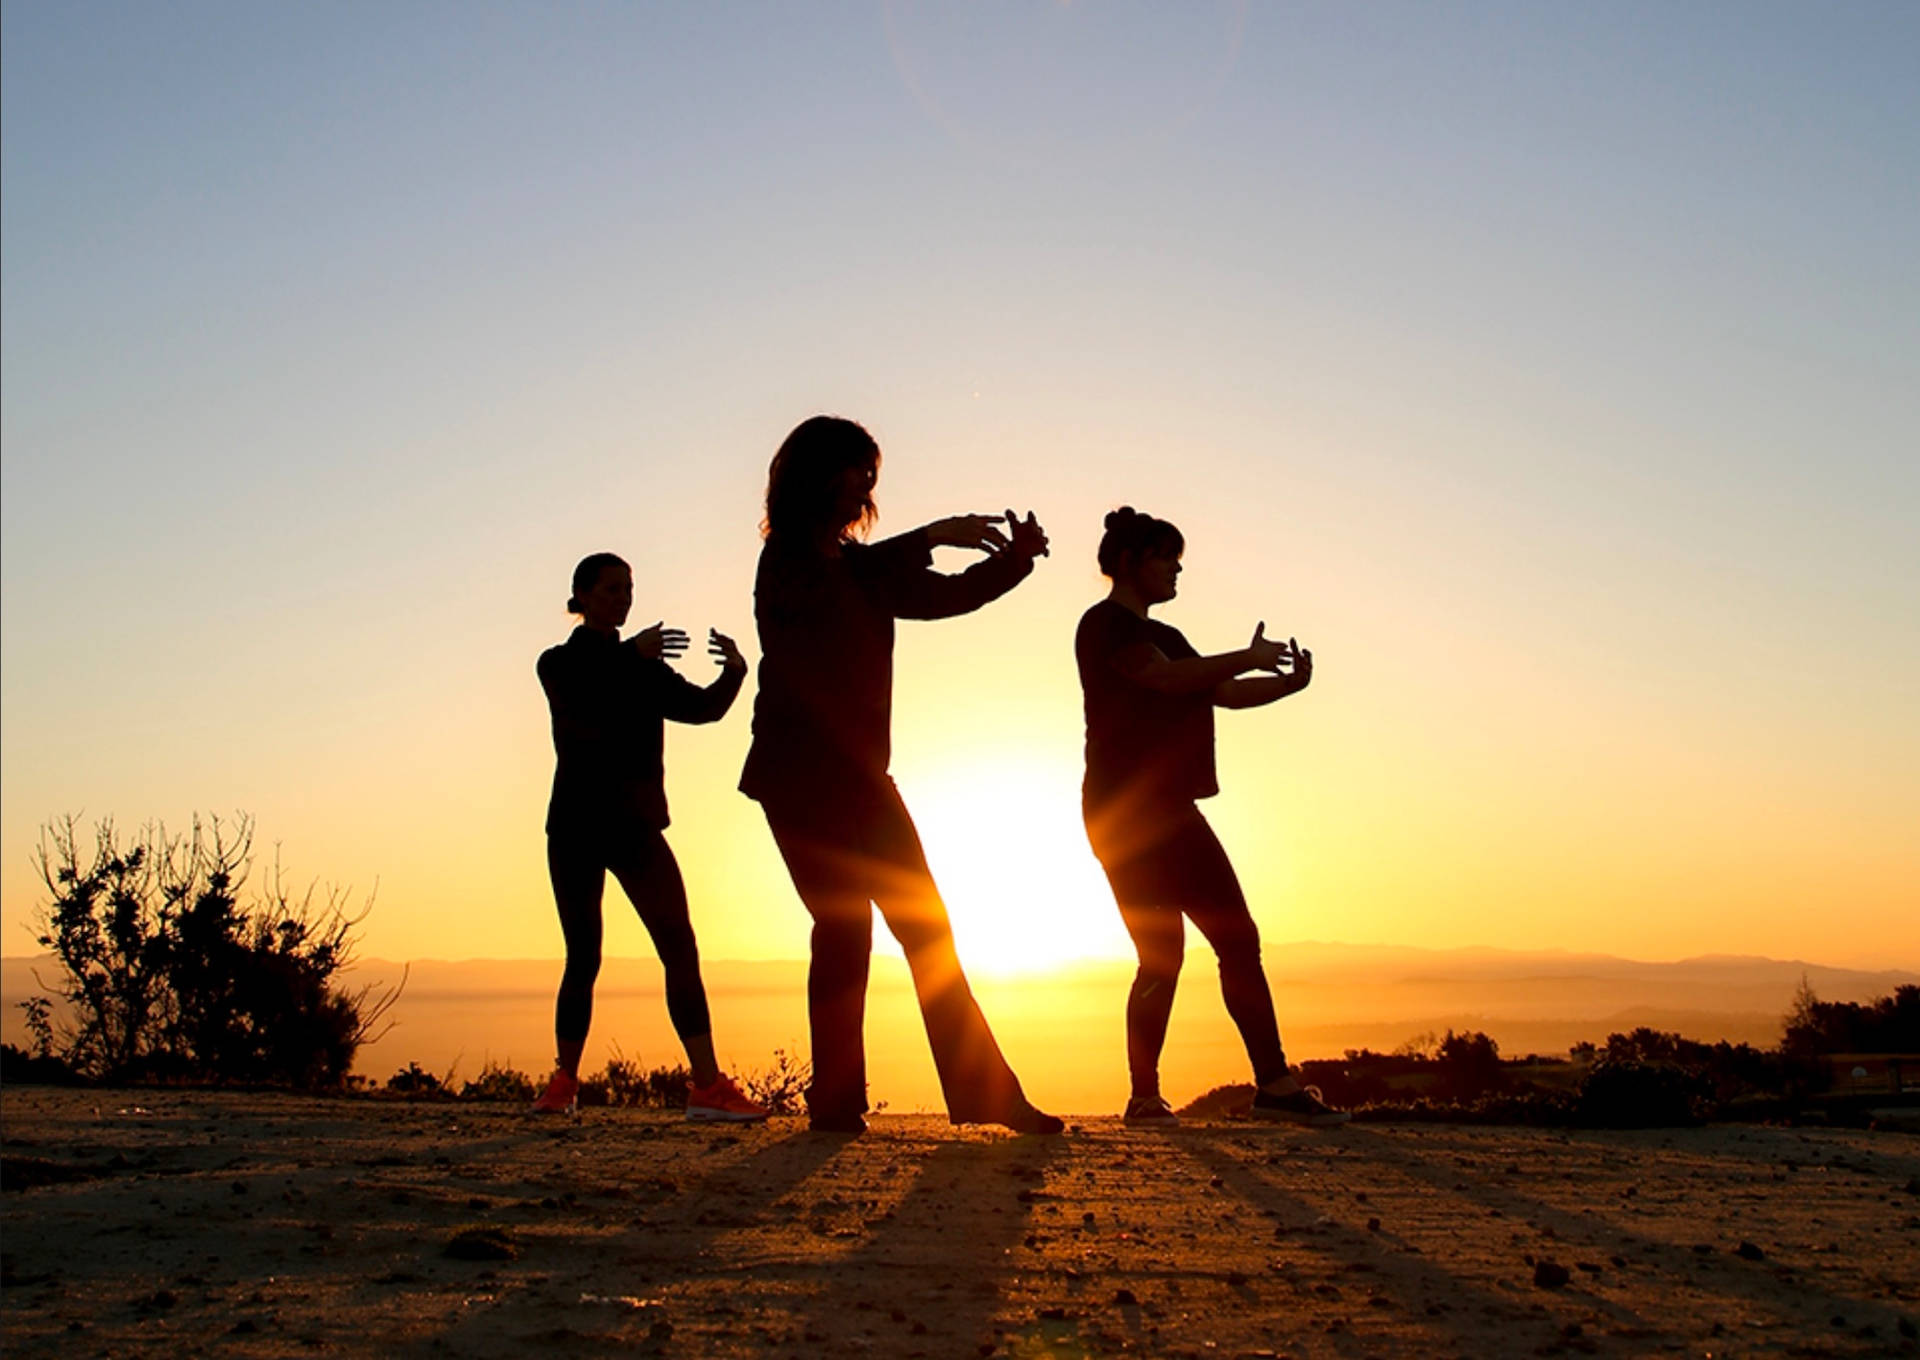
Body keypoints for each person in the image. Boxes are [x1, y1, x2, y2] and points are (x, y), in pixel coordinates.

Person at [740, 415, 1063, 1135]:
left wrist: (1015, 561)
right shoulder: (787, 560)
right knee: (844, 926)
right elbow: (833, 588)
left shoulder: (860, 567)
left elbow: (943, 598)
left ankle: (983, 1095)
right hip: (798, 778)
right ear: (816, 474)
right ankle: (836, 1100)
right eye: (857, 468)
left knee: (925, 930)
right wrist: (930, 536)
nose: (867, 483)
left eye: (870, 471)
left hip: (861, 779)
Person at [1076, 507, 1348, 1127]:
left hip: (1174, 810)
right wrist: (1243, 657)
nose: (1176, 569)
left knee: (1238, 938)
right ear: (1128, 563)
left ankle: (1274, 1086)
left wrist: (1285, 684)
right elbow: (1166, 681)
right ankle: (1144, 1097)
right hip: (1124, 817)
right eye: (1165, 557)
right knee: (1161, 953)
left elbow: (1217, 690)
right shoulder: (1103, 627)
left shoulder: (1167, 635)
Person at [532, 552, 766, 1122]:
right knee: (582, 954)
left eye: (628, 589)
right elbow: (580, 699)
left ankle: (707, 1087)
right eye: (611, 589)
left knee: (678, 947)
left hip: (635, 828)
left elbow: (702, 709)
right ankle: (564, 1082)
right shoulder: (557, 663)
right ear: (582, 596)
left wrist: (734, 672)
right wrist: (630, 654)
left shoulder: (642, 666)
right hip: (574, 829)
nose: (623, 598)